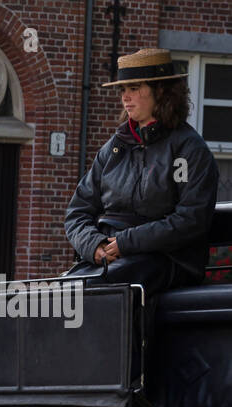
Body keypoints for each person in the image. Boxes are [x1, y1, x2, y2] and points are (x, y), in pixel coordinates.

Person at [64, 48, 219, 298]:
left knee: (96, 293)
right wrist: (94, 245)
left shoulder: (189, 149)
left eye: (134, 88)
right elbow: (78, 211)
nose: (126, 97)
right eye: (122, 90)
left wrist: (126, 243)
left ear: (161, 91)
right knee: (55, 293)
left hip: (166, 258)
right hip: (109, 256)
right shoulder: (114, 148)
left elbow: (191, 220)